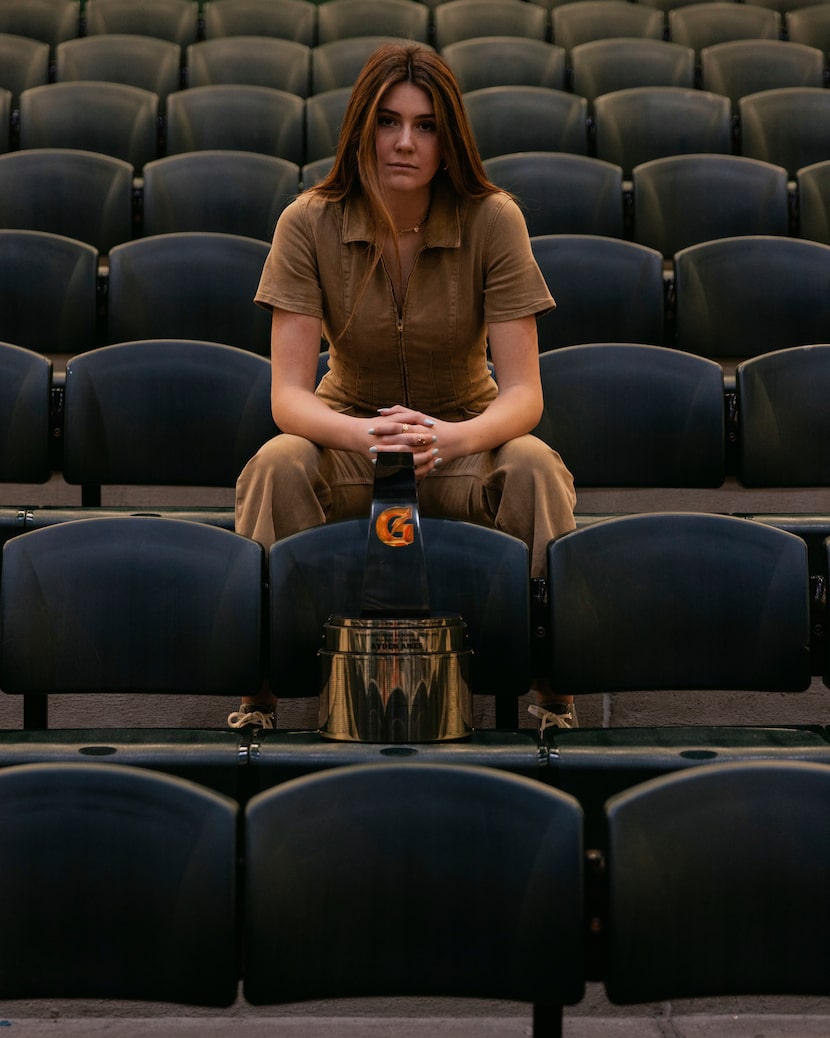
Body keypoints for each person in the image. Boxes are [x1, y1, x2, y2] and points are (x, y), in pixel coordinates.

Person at [231, 42, 577, 732]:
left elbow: (524, 395)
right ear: (363, 128)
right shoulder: (307, 222)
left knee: (536, 467)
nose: (404, 142)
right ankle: (259, 692)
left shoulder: (493, 219)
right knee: (274, 463)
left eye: (425, 127)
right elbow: (289, 397)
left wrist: (453, 440)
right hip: (350, 436)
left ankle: (553, 692)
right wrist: (366, 434)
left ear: (449, 143)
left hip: (462, 435)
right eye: (388, 122)